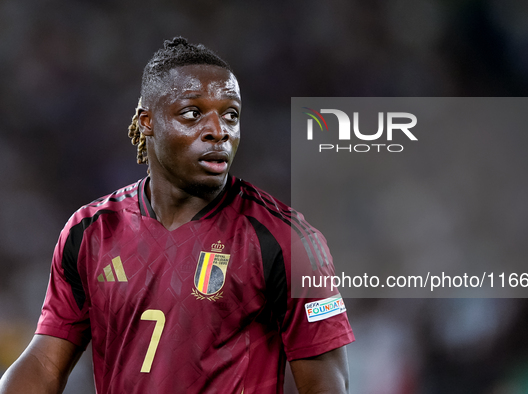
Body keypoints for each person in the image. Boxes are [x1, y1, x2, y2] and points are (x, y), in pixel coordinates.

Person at [0, 37, 354, 394]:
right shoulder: (92, 231)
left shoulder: (285, 239)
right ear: (147, 122)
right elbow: (45, 363)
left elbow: (326, 383)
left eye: (231, 114)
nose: (219, 130)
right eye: (192, 113)